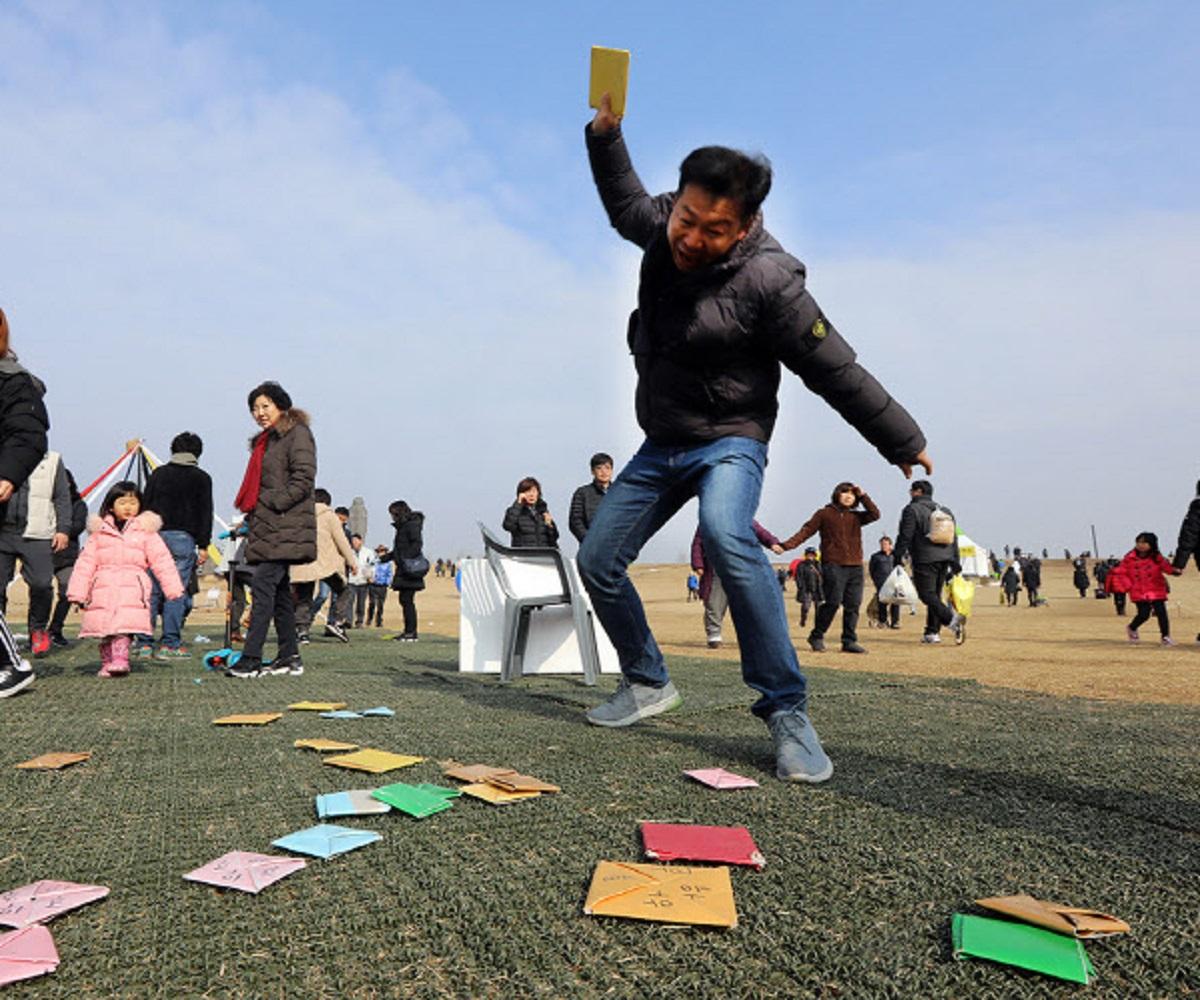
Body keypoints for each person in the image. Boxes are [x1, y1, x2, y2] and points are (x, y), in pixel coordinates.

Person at [577, 94, 930, 784]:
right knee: (596, 559)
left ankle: (787, 712)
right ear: (676, 202)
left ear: (742, 229)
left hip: (732, 437)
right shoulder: (660, 224)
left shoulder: (772, 281)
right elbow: (624, 203)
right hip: (663, 439)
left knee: (727, 532)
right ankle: (648, 681)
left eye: (714, 229)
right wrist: (605, 137)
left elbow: (834, 368)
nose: (691, 238)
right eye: (686, 219)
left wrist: (901, 438)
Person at [228, 381, 316, 678]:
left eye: (265, 406)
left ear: (281, 405)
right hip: (267, 525)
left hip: (284, 525)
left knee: (263, 586)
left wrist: (273, 502)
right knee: (277, 592)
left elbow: (304, 478)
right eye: (254, 408)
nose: (259, 413)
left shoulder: (297, 434)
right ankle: (289, 656)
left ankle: (251, 658)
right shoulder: (267, 441)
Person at [66, 482, 184, 677]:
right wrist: (77, 592)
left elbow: (162, 560)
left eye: (133, 502)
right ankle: (108, 661)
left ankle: (121, 659)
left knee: (123, 625)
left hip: (132, 586)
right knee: (106, 629)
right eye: (122, 502)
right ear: (111, 506)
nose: (128, 507)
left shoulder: (146, 533)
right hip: (103, 585)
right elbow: (85, 563)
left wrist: (173, 588)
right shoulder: (99, 533)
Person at [0, 307, 51, 697]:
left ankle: (11, 664)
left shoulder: (14, 383)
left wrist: (7, 475)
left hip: (19, 515)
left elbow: (28, 435)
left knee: (37, 583)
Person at [782, 483, 880, 654]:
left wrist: (863, 495)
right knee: (833, 602)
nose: (849, 496)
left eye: (852, 494)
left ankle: (849, 641)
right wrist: (786, 546)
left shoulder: (856, 517)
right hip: (833, 565)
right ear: (837, 494)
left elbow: (875, 514)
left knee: (853, 605)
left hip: (856, 566)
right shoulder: (824, 514)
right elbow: (806, 531)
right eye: (845, 492)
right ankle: (817, 636)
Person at [140, 431, 213, 659]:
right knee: (175, 592)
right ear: (197, 453)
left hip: (155, 537)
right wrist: (203, 545)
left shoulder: (158, 474)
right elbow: (205, 513)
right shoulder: (202, 478)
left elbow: (146, 506)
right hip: (183, 539)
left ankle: (144, 642)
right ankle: (170, 642)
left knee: (151, 592)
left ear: (173, 450)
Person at [0, 449, 71, 657]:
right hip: (3, 531)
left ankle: (38, 629)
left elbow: (62, 497)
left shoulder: (53, 459)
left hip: (38, 532)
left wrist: (63, 529)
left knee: (41, 584)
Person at [690, 520, 783, 649]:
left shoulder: (743, 515)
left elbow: (760, 532)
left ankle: (750, 636)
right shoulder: (706, 521)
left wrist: (773, 543)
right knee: (714, 603)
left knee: (747, 604)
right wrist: (698, 564)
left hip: (740, 567)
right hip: (716, 568)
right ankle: (714, 635)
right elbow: (697, 544)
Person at [893, 481, 963, 645]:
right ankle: (932, 632)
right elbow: (954, 538)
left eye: (911, 490)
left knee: (926, 595)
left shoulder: (912, 509)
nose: (909, 493)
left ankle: (952, 620)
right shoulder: (945, 510)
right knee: (935, 595)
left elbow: (905, 535)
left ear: (918, 491)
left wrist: (898, 556)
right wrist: (955, 560)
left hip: (924, 558)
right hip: (945, 557)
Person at [291, 487, 356, 644]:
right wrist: (352, 562)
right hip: (325, 563)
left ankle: (302, 632)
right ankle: (337, 621)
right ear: (328, 502)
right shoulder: (329, 516)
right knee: (344, 590)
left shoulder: (298, 514)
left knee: (304, 598)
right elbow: (342, 541)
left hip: (302, 562)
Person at [1117, 532, 1181, 645]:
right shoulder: (1129, 558)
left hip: (1155, 588)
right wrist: (1126, 585)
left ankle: (1165, 636)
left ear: (1151, 544)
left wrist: (1175, 571)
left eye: (1144, 542)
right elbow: (1122, 572)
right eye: (1138, 542)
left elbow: (1166, 568)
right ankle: (1132, 627)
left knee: (1161, 613)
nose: (1140, 545)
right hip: (1138, 590)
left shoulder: (1157, 558)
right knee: (1144, 614)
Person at [48, 467, 88, 647]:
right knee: (40, 591)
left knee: (67, 592)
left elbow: (78, 526)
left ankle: (55, 629)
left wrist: (60, 532)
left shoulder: (79, 505)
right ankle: (37, 630)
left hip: (67, 556)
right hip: (43, 554)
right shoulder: (44, 504)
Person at [381, 500, 426, 641]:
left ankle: (411, 632)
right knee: (405, 600)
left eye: (393, 514)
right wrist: (385, 558)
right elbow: (398, 550)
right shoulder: (403, 527)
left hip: (409, 570)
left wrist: (405, 559)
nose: (392, 517)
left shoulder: (411, 526)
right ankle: (409, 631)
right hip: (404, 568)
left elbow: (417, 544)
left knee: (407, 600)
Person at [568, 452, 613, 542]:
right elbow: (575, 521)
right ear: (592, 471)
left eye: (607, 468)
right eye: (599, 468)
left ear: (612, 470)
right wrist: (589, 541)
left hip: (616, 546)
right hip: (590, 547)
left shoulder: (619, 492)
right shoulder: (582, 493)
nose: (604, 472)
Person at [503, 477, 559, 548]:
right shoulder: (515, 511)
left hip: (544, 555)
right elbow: (508, 526)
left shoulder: (543, 511)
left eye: (534, 491)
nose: (531, 495)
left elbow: (554, 538)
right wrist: (518, 503)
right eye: (528, 491)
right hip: (523, 555)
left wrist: (550, 526)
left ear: (538, 493)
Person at [868, 536, 900, 628]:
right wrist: (876, 581)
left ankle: (895, 622)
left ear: (890, 545)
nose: (883, 546)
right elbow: (872, 570)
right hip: (881, 583)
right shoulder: (875, 557)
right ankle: (883, 621)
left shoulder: (896, 555)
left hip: (894, 583)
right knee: (882, 603)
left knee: (895, 602)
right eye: (882, 544)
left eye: (885, 544)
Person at [346, 534, 375, 627]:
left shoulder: (368, 552)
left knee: (361, 602)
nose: (354, 543)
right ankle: (348, 621)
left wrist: (370, 576)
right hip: (351, 580)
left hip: (363, 581)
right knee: (349, 601)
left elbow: (372, 566)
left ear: (361, 541)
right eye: (352, 541)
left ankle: (359, 621)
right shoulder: (348, 552)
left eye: (356, 541)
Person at [793, 548, 824, 629]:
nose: (810, 556)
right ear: (806, 555)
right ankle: (803, 619)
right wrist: (801, 587)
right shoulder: (801, 565)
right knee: (805, 607)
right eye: (809, 554)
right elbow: (798, 577)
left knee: (819, 609)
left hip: (818, 590)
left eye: (812, 554)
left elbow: (823, 576)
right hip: (807, 590)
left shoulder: (818, 564)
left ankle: (818, 625)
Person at [367, 545, 392, 627]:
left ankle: (379, 621)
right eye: (379, 551)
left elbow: (389, 574)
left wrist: (387, 582)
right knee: (372, 603)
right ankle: (369, 619)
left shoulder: (388, 564)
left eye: (382, 551)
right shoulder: (373, 562)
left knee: (380, 605)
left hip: (382, 586)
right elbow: (368, 570)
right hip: (373, 585)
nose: (381, 553)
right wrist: (369, 578)